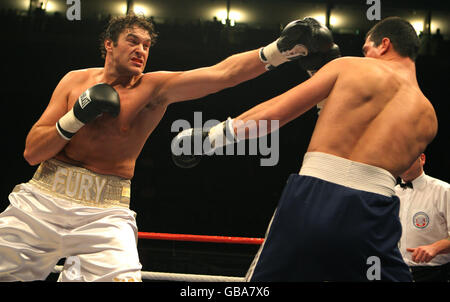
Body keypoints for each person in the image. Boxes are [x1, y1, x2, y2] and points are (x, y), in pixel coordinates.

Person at [0, 14, 336, 282]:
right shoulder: (74, 81)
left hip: (104, 213)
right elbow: (32, 152)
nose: (141, 50)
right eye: (133, 42)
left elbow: (223, 74)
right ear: (108, 45)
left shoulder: (154, 89)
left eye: (146, 45)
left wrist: (280, 49)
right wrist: (75, 118)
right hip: (41, 200)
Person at [174, 16, 438, 281]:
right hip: (375, 215)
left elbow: (276, 113)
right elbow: (373, 154)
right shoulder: (428, 116)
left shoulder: (350, 67)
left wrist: (212, 137)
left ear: (384, 44)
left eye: (366, 49)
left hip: (314, 197)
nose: (365, 56)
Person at [395, 153, 450, 282]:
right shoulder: (391, 193)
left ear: (422, 159)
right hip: (396, 272)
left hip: (434, 275)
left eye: (407, 156)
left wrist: (435, 247)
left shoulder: (444, 191)